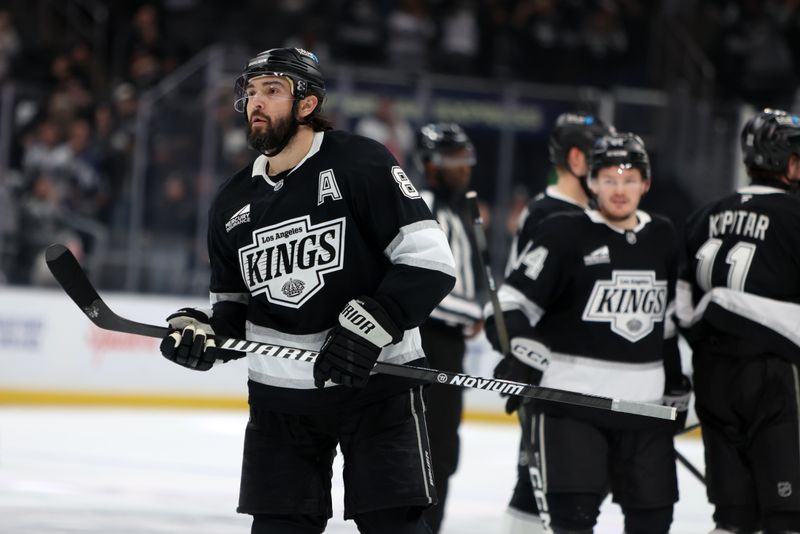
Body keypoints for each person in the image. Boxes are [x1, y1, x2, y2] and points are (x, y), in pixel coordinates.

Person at [158, 47, 457, 534]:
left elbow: (430, 263)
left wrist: (369, 327)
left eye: (272, 90)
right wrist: (204, 333)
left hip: (376, 386)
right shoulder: (233, 200)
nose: (256, 102)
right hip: (280, 403)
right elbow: (233, 311)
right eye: (251, 91)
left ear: (306, 103)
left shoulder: (361, 162)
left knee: (396, 526)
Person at [486, 132, 690, 534]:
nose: (619, 189)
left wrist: (676, 379)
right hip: (571, 406)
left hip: (644, 410)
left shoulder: (663, 235)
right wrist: (521, 347)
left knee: (654, 521)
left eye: (630, 178)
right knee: (573, 521)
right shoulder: (564, 232)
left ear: (645, 184)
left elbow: (663, 322)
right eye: (609, 178)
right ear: (591, 182)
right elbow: (508, 305)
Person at [677, 108, 800, 533]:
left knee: (732, 518)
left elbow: (679, 305)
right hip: (776, 379)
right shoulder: (795, 218)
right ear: (786, 162)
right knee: (786, 516)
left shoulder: (702, 217)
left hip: (713, 378)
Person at [495, 112, 614, 534]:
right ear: (578, 159)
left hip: (579, 376)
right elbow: (524, 302)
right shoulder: (551, 214)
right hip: (552, 373)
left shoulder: (584, 214)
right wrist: (524, 359)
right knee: (538, 489)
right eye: (602, 158)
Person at [414, 122, 483, 533]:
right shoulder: (424, 208)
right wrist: (476, 313)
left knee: (442, 452)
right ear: (430, 164)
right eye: (452, 159)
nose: (463, 168)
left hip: (448, 343)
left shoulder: (455, 211)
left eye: (465, 158)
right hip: (427, 342)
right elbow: (422, 287)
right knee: (427, 453)